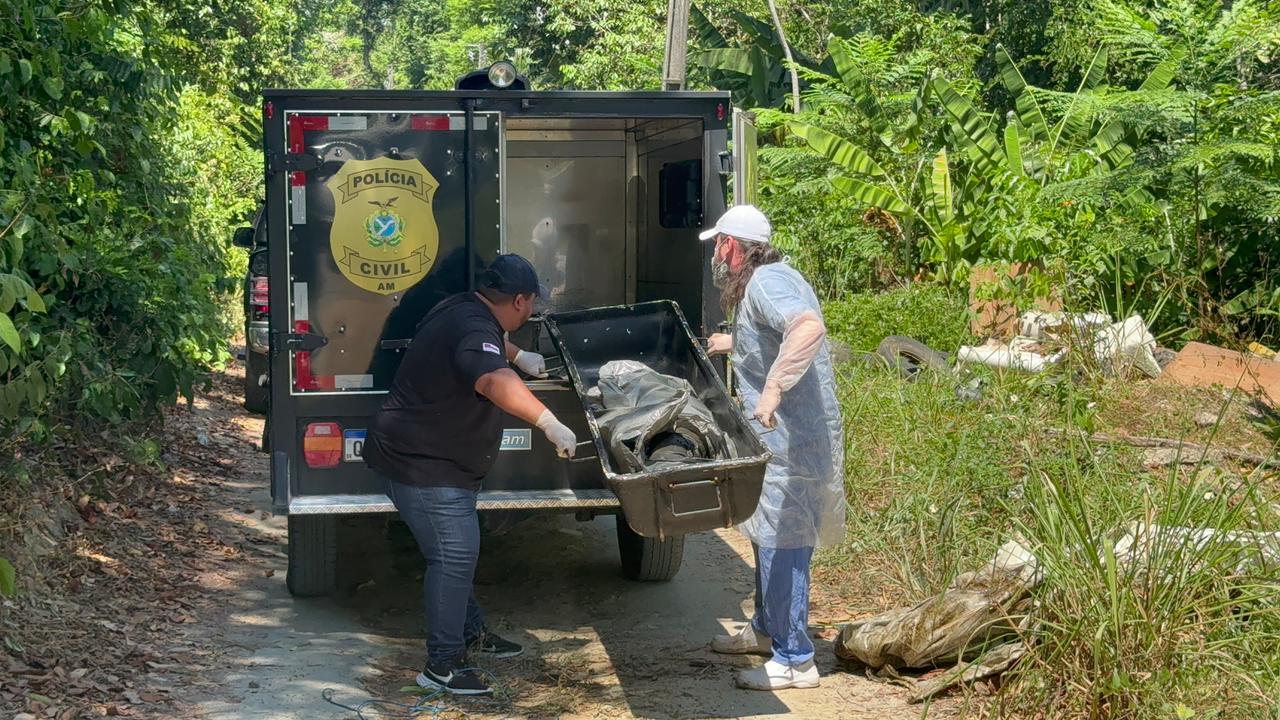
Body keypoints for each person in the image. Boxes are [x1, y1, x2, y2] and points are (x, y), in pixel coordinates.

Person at [363, 253, 579, 696]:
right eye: (532, 303)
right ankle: (442, 666)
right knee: (454, 554)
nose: (531, 311)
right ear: (518, 301)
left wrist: (519, 356)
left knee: (453, 553)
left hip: (428, 457)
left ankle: (471, 632)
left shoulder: (464, 307)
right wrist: (548, 422)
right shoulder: (472, 326)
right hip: (423, 464)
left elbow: (486, 344)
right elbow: (492, 380)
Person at [700, 205, 846, 691]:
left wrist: (773, 387)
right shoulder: (768, 280)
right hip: (779, 441)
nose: (716, 255)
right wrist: (734, 342)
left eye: (718, 245)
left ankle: (795, 659)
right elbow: (772, 332)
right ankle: (766, 629)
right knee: (767, 534)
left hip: (792, 442)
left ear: (733, 246)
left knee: (784, 541)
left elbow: (806, 327)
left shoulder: (766, 282)